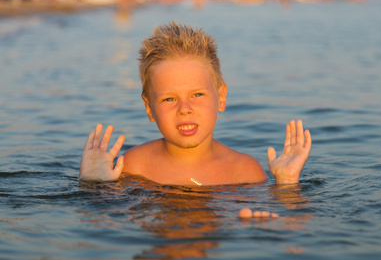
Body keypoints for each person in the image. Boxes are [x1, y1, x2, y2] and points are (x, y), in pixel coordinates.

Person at [79, 22, 311, 188]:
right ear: (149, 108)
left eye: (197, 94)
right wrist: (93, 184)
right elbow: (105, 223)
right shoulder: (132, 166)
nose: (184, 108)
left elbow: (276, 225)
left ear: (221, 97)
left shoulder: (244, 170)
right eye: (169, 99)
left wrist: (287, 183)